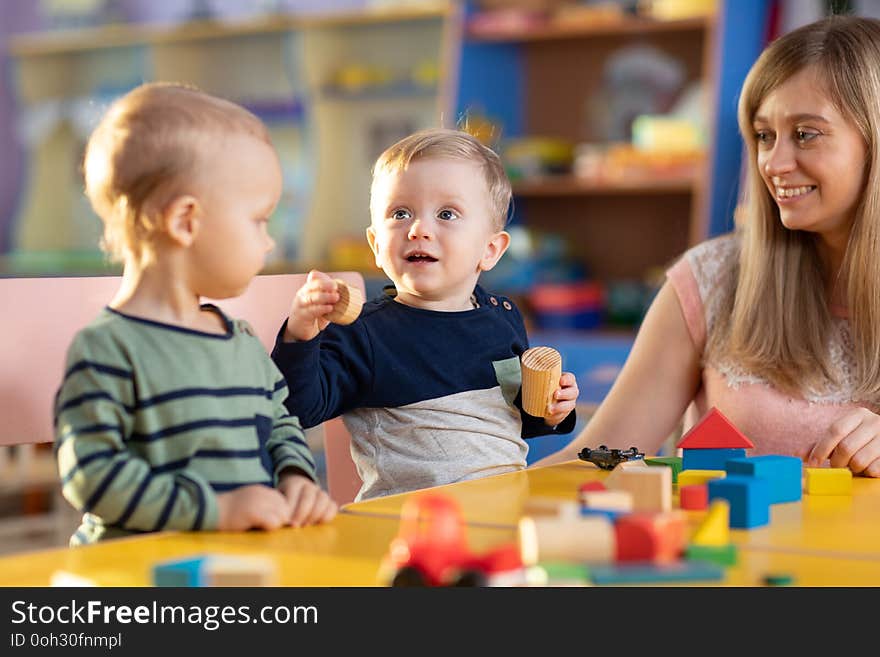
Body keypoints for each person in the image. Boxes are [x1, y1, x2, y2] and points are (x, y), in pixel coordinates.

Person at [534, 15, 880, 478]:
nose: (773, 163)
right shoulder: (710, 279)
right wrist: (468, 493)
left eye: (805, 134)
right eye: (763, 136)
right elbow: (597, 459)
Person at [54, 82, 337, 545]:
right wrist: (215, 510)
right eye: (259, 220)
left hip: (240, 559)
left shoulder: (241, 342)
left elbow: (280, 425)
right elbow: (91, 474)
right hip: (136, 574)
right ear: (186, 221)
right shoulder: (108, 347)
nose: (268, 241)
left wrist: (296, 480)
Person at [272, 128, 580, 500]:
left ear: (490, 249)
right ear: (375, 245)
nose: (418, 229)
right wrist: (301, 335)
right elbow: (297, 410)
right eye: (400, 213)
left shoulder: (502, 319)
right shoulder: (362, 332)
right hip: (406, 526)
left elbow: (508, 421)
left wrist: (552, 411)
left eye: (447, 214)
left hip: (502, 510)